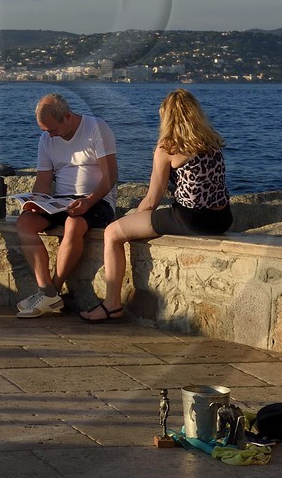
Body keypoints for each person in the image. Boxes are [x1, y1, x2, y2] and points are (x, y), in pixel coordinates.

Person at [81, 89, 230, 323]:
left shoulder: (168, 148)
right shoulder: (212, 140)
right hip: (221, 218)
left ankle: (111, 305)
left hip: (190, 219)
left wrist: (132, 221)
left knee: (112, 233)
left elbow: (152, 199)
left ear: (167, 117)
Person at [15, 93, 117, 318]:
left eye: (52, 130)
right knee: (25, 223)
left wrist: (89, 201)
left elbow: (111, 176)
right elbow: (43, 180)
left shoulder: (96, 128)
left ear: (67, 117)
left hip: (97, 199)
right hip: (61, 200)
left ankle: (53, 290)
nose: (50, 135)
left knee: (74, 225)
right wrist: (35, 203)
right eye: (45, 131)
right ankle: (47, 293)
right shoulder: (47, 138)